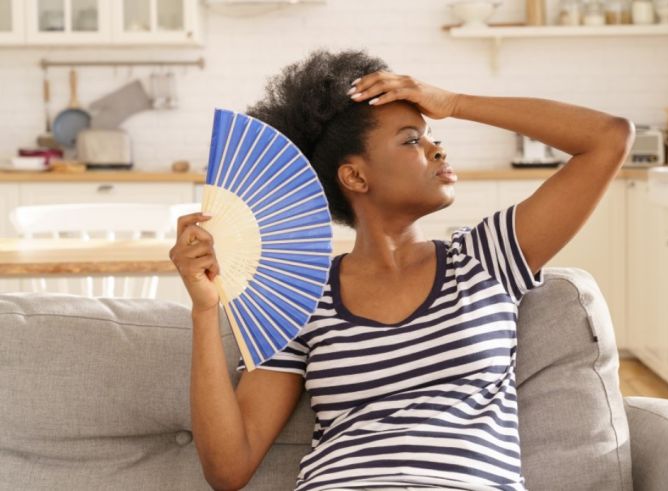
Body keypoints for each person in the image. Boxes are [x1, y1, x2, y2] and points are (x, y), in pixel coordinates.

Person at [169, 49, 634, 491]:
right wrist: (205, 311)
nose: (436, 150)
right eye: (412, 140)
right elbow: (228, 469)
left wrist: (453, 102)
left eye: (433, 136)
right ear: (355, 177)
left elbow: (608, 138)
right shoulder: (303, 297)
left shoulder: (485, 260)